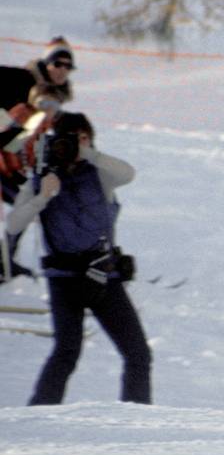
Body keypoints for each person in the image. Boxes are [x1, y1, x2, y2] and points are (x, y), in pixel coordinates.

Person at [9, 112, 152, 405]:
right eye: (71, 138)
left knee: (138, 353)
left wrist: (88, 153)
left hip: (103, 274)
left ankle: (137, 415)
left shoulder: (101, 173)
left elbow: (128, 173)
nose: (78, 143)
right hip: (64, 280)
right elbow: (13, 225)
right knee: (67, 352)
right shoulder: (42, 179)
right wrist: (42, 197)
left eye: (84, 137)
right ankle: (39, 413)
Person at [0, 36, 76, 278]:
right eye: (57, 63)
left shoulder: (54, 96)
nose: (62, 70)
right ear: (46, 63)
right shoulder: (23, 80)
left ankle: (4, 259)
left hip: (13, 163)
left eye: (68, 66)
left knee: (29, 204)